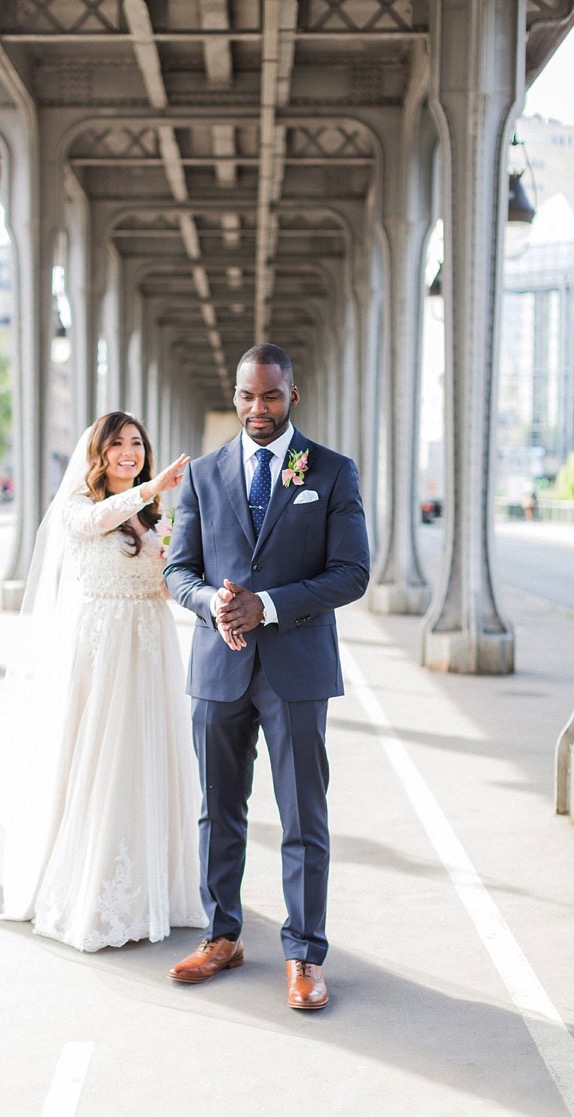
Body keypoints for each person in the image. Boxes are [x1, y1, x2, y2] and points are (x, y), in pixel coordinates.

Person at [163, 343, 370, 1011]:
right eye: (248, 396)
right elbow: (178, 570)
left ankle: (305, 955)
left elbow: (352, 573)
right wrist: (209, 602)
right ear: (235, 394)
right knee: (218, 809)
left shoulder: (331, 473)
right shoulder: (202, 475)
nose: (258, 408)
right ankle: (222, 936)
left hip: (297, 669)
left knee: (303, 815)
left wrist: (270, 606)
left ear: (292, 397)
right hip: (218, 666)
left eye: (271, 396)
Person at [0, 411, 204, 951]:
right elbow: (94, 523)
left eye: (137, 443)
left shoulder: (153, 519)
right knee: (101, 757)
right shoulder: (78, 508)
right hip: (103, 648)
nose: (129, 452)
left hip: (149, 647)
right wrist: (151, 489)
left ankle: (154, 884)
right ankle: (93, 886)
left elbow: (165, 582)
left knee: (145, 756)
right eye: (118, 445)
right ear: (99, 454)